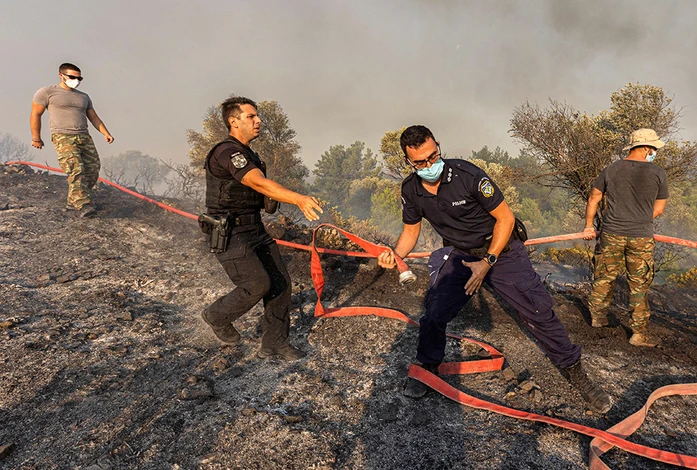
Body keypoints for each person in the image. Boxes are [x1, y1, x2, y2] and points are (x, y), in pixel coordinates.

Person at [377, 125, 612, 414]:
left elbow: (505, 219)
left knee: (538, 312)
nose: (429, 165)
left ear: (438, 146)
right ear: (408, 162)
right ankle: (428, 368)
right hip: (461, 254)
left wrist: (486, 263)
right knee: (434, 311)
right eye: (420, 163)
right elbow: (410, 232)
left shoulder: (468, 175)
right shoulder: (411, 190)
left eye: (433, 156)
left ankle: (578, 375)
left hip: (502, 252)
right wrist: (395, 255)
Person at [201, 96, 323, 361]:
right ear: (233, 122)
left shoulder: (248, 153)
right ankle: (216, 315)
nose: (259, 121)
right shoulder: (227, 152)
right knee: (257, 284)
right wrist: (298, 199)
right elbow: (257, 182)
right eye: (251, 117)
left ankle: (275, 345)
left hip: (254, 230)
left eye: (257, 116)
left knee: (280, 283)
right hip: (230, 232)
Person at [583, 129, 669, 347]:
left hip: (611, 233)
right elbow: (659, 208)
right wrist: (638, 219)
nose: (654, 152)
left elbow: (594, 198)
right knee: (639, 284)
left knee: (604, 277)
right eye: (654, 149)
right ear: (648, 148)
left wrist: (588, 226)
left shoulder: (611, 169)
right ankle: (638, 333)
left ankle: (598, 319)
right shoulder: (658, 173)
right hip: (641, 236)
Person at [31, 63, 114, 217]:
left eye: (79, 78)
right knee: (76, 167)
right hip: (62, 136)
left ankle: (73, 201)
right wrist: (36, 138)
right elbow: (36, 114)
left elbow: (93, 117)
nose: (76, 80)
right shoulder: (47, 92)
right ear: (61, 75)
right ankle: (83, 204)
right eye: (72, 77)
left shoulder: (83, 96)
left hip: (84, 136)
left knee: (92, 168)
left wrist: (105, 133)